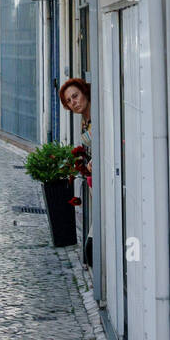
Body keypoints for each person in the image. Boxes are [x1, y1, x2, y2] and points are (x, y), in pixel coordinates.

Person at [59, 78, 93, 265]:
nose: (74, 102)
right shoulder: (84, 120)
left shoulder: (97, 114)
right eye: (69, 101)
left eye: (75, 96)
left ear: (84, 93)